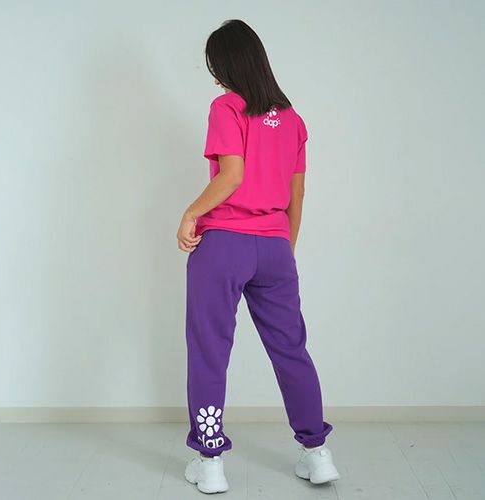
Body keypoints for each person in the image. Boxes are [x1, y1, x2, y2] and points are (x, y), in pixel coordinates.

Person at [176, 19, 340, 495]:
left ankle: (210, 462)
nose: (214, 78)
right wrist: (284, 248)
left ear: (227, 66)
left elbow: (231, 176)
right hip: (274, 248)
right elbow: (297, 195)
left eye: (215, 67)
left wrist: (190, 213)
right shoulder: (293, 119)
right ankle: (318, 453)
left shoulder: (226, 107)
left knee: (209, 352)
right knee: (291, 350)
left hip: (222, 246)